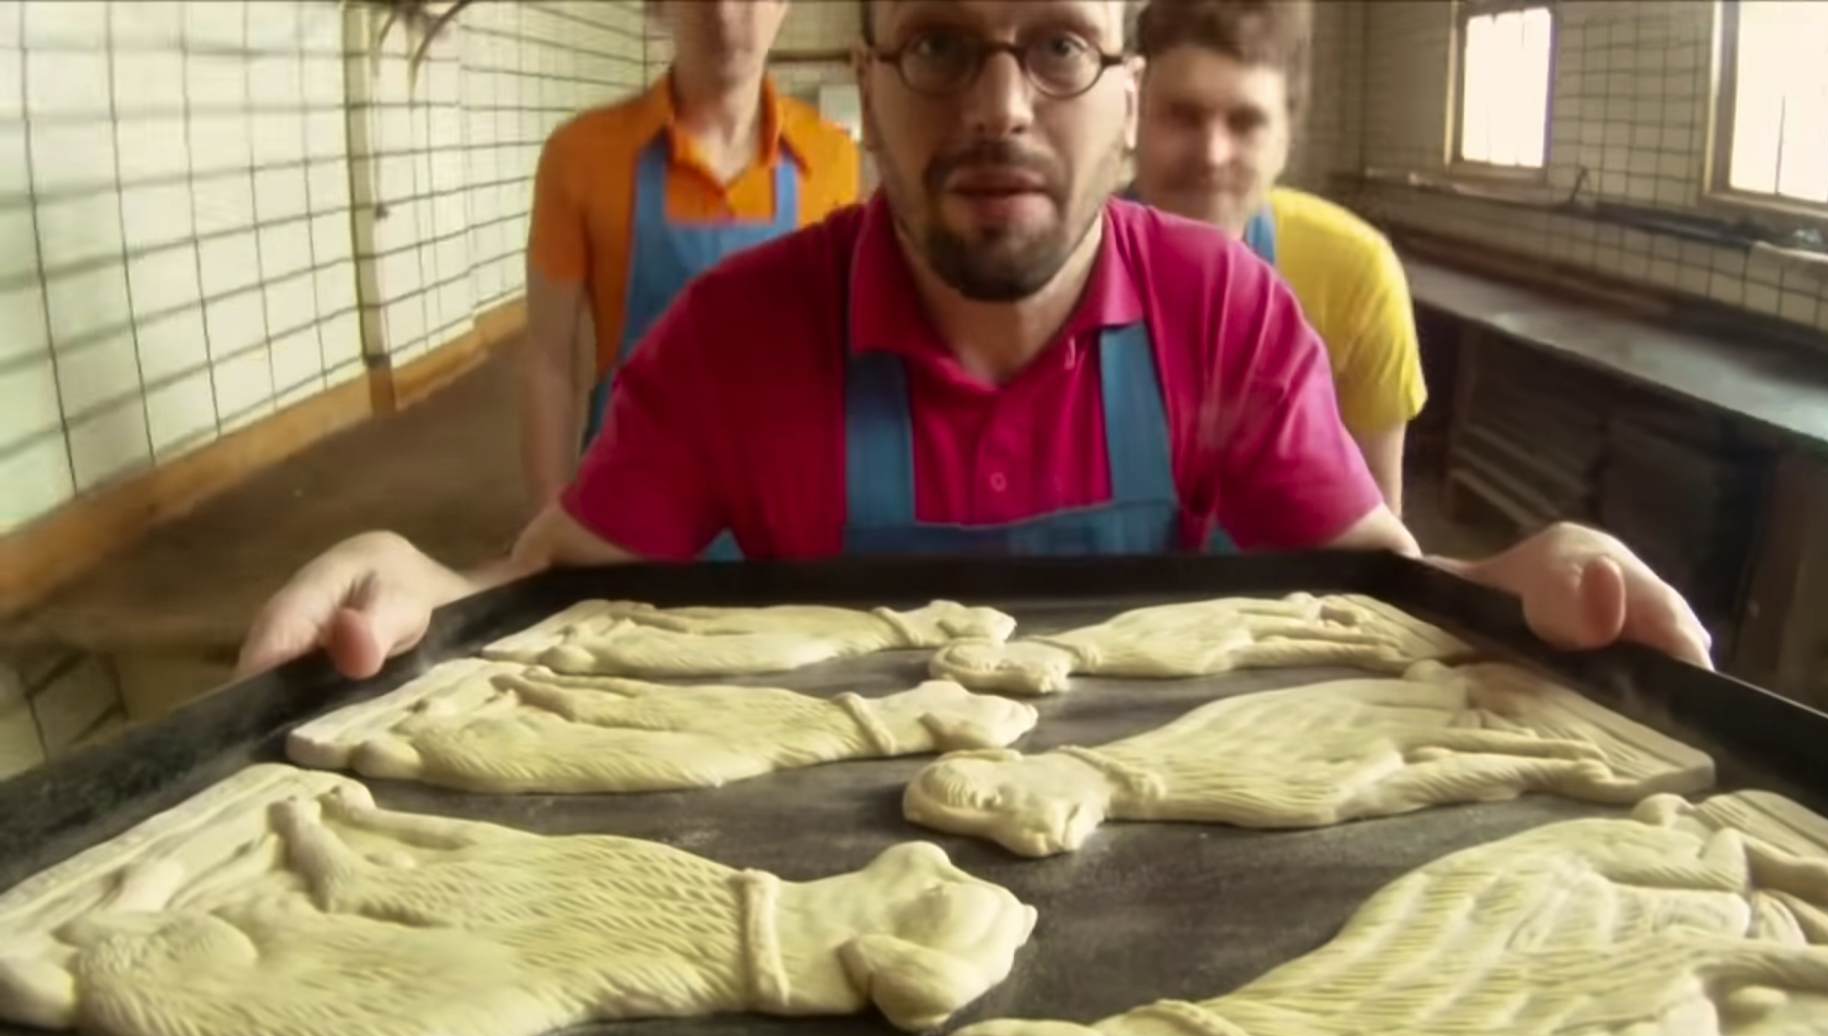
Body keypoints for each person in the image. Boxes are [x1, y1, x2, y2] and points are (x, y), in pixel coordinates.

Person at [240, 0, 1710, 681]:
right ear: (868, 86)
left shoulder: (1228, 316)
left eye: (1059, 46)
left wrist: (1508, 582)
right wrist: (428, 586)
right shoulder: (735, 338)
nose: (1000, 107)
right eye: (941, 45)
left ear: (1124, 94)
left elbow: (1376, 590)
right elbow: (550, 591)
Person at [520, 0, 861, 510]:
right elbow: (550, 357)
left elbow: (844, 355)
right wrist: (551, 518)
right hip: (628, 504)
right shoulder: (581, 156)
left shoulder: (831, 158)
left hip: (781, 507)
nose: (725, 13)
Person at [1132, 0, 1423, 513]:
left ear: (1287, 138)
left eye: (1245, 122)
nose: (1211, 154)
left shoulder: (1354, 277)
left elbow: (1378, 538)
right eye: (1182, 116)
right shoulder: (1060, 268)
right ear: (1131, 115)